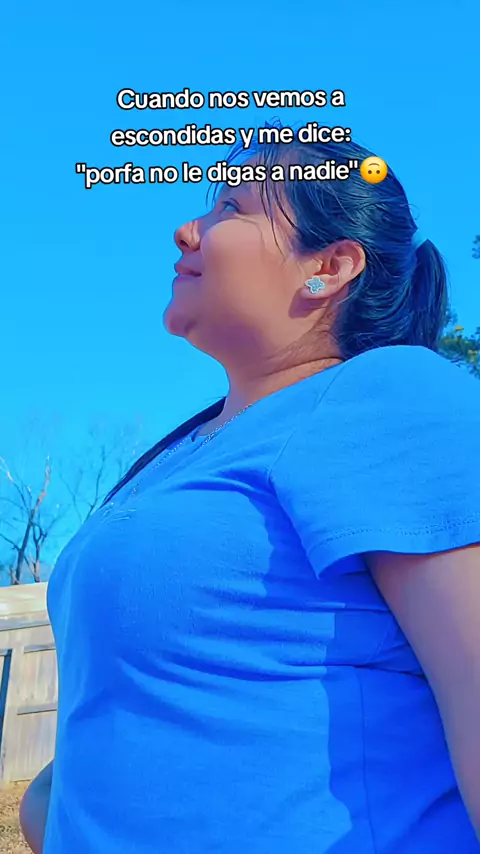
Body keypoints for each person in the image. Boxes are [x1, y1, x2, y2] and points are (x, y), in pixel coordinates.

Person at [20, 123, 480, 854]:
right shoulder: (177, 457)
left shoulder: (391, 394)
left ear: (328, 265)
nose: (186, 230)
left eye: (231, 207)